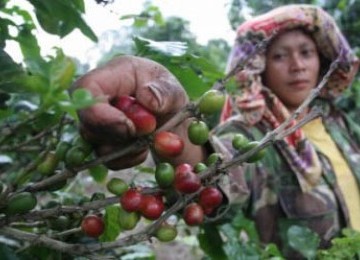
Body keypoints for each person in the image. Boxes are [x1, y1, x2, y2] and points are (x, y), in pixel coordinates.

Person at [73, 4, 360, 258]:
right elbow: (210, 175)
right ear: (259, 67)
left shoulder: (336, 121)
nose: (297, 66)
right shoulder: (250, 134)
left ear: (321, 60)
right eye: (280, 56)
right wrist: (171, 117)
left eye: (306, 53)